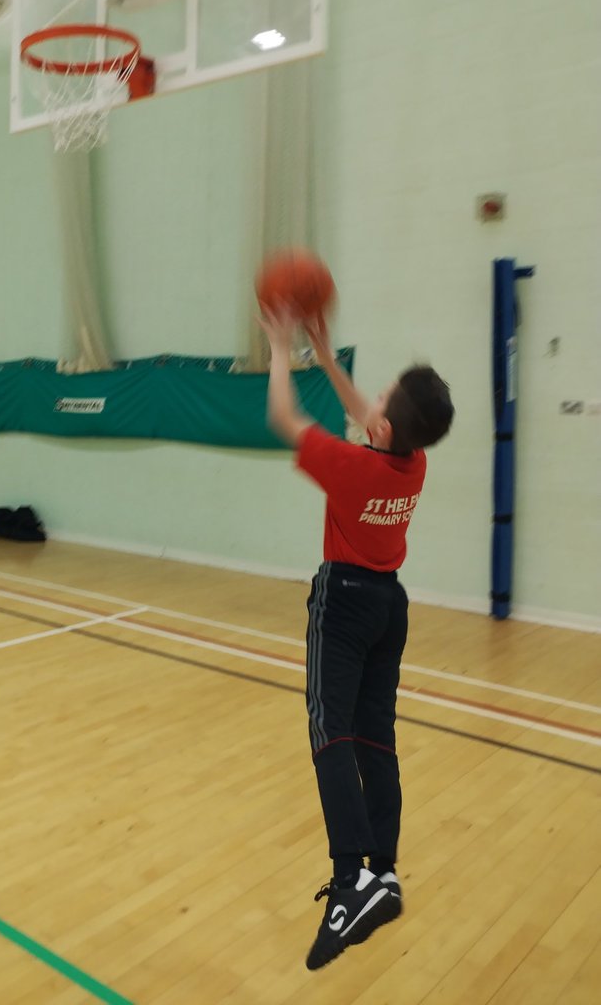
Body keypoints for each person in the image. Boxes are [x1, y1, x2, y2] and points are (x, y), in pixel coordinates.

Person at [259, 306, 454, 971]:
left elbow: (285, 421)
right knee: (375, 737)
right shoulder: (411, 464)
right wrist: (329, 356)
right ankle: (384, 871)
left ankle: (349, 882)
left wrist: (283, 351)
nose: (370, 398)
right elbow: (367, 421)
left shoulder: (350, 469)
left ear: (380, 426)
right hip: (389, 607)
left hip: (341, 603)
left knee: (329, 731)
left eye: (378, 398)